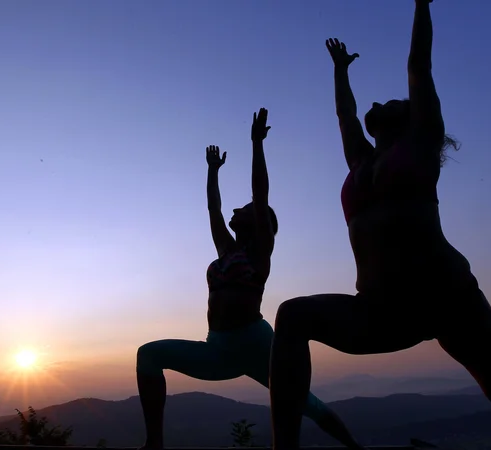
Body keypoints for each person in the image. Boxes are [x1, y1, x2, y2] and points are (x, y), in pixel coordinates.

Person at [267, 2, 491, 450]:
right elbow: (345, 116)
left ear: (407, 116)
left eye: (390, 101)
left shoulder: (420, 146)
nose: (378, 102)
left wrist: (422, 5)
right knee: (292, 315)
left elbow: (418, 65)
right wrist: (341, 71)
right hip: (383, 311)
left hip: (448, 298)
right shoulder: (361, 161)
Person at [135, 108, 363, 450]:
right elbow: (213, 209)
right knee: (148, 355)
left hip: (258, 344)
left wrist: (257, 144)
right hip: (219, 347)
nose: (234, 212)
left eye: (243, 209)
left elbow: (260, 194)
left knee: (307, 404)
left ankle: (357, 449)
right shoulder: (226, 250)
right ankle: (154, 444)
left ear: (258, 221)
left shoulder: (259, 252)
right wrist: (212, 172)